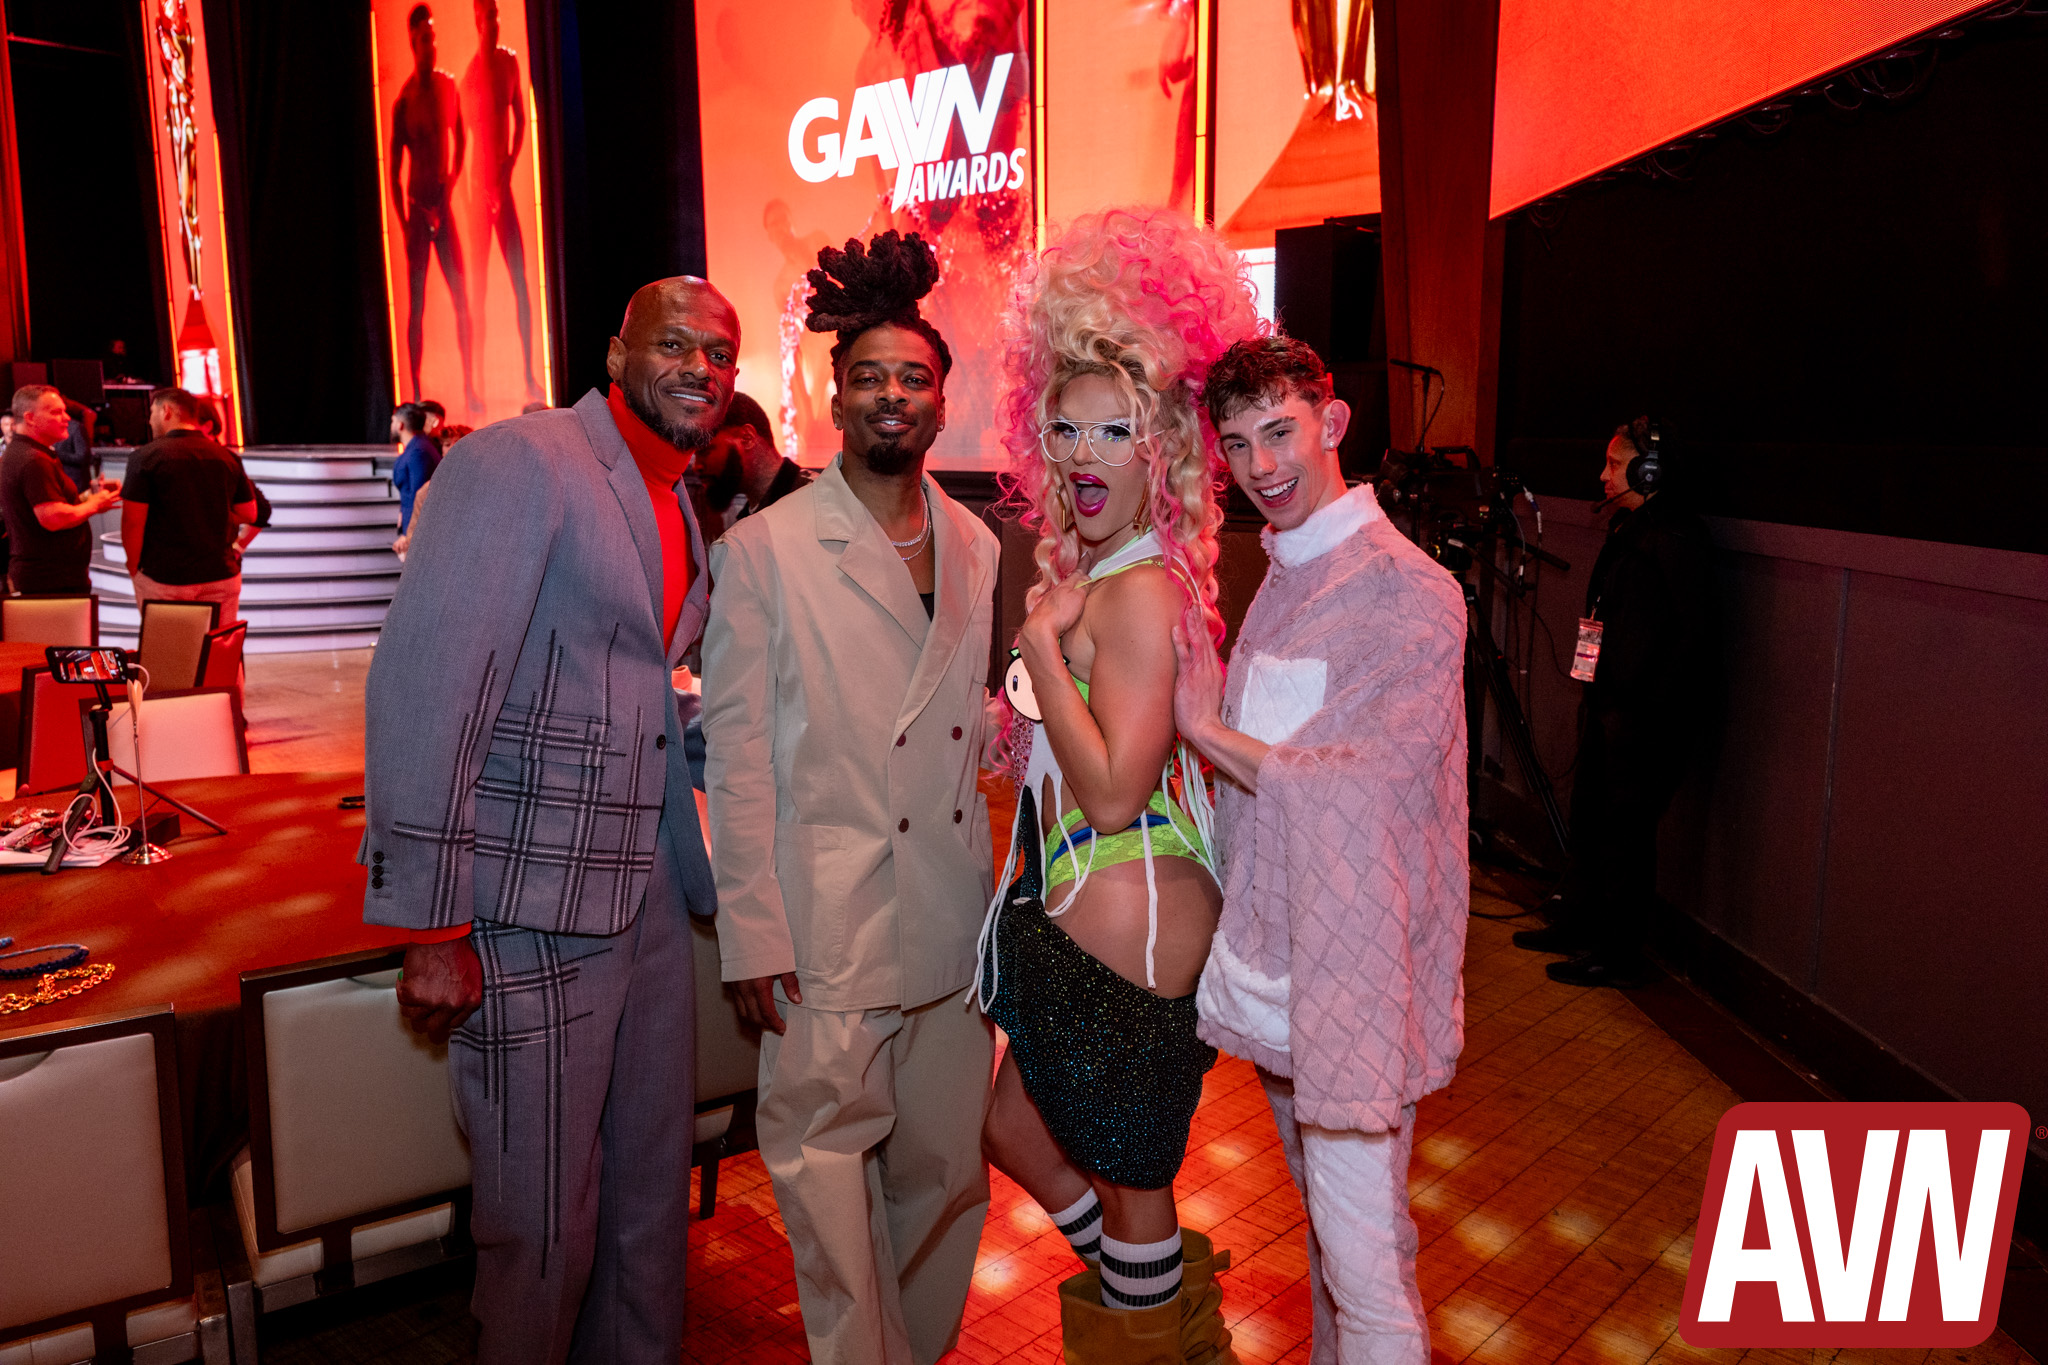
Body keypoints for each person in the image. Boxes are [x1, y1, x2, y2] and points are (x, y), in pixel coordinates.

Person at [364, 276, 736, 1364]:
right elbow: (429, 684)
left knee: (645, 1204)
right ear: (617, 353)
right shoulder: (520, 462)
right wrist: (435, 925)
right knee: (539, 1229)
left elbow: (637, 689)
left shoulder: (674, 496)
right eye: (675, 344)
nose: (700, 368)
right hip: (528, 907)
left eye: (719, 354)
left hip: (649, 891)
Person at [701, 231, 999, 1365]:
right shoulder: (766, 551)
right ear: (834, 397)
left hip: (949, 922)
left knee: (945, 1178)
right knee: (827, 1193)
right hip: (826, 925)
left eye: (912, 377)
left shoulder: (975, 543)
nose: (890, 394)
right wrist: (752, 932)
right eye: (868, 375)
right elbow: (736, 757)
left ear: (940, 402)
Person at [975, 206, 1258, 1361]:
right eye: (1066, 430)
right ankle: (1158, 1303)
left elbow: (1110, 792)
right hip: (1078, 919)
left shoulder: (1137, 592)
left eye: (1113, 431)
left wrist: (1039, 650)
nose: (1084, 454)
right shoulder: (1105, 573)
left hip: (1127, 926)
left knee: (1133, 1180)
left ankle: (1156, 1319)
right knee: (1012, 1128)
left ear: (1160, 450)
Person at [1173, 334, 1469, 1365]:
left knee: (1366, 1268)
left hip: (1354, 974)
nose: (1261, 466)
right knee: (1338, 1246)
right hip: (1284, 965)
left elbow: (1371, 782)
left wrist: (1204, 731)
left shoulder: (1408, 589)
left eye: (1280, 432)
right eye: (1237, 444)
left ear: (1331, 423)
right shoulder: (1286, 572)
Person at [1513, 417, 1716, 988]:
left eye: (1614, 463)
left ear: (1649, 471)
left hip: (1645, 718)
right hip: (1609, 705)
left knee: (1627, 833)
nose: (1603, 476)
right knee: (1590, 815)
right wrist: (1592, 684)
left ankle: (1616, 953)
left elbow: (1693, 637)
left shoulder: (1676, 539)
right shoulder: (1631, 530)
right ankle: (1578, 921)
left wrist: (1648, 707)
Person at [390, 3, 480, 412]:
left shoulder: (447, 87)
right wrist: (405, 219)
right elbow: (394, 173)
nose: (432, 45)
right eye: (425, 39)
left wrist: (449, 186)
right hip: (417, 211)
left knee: (461, 297)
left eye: (434, 38)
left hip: (441, 209)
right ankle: (414, 390)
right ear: (414, 43)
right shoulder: (404, 101)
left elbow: (460, 141)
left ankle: (470, 384)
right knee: (417, 305)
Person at [121, 387, 258, 627]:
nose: (149, 420)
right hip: (221, 575)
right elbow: (249, 513)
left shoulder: (145, 457)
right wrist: (212, 512)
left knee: (170, 646)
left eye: (152, 412)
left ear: (166, 411)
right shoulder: (226, 456)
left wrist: (133, 566)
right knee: (216, 646)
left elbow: (133, 521)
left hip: (166, 577)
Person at [462, 0, 543, 405]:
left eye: (496, 15)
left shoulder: (509, 63)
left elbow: (520, 120)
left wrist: (508, 166)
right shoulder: (470, 78)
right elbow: (468, 143)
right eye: (487, 17)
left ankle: (529, 374)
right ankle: (471, 383)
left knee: (520, 282)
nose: (493, 23)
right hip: (479, 191)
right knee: (475, 290)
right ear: (478, 22)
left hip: (502, 185)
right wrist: (481, 191)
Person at [2, 385, 121, 593]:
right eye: (56, 412)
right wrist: (93, 505)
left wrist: (88, 498)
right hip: (51, 579)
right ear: (30, 418)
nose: (66, 418)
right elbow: (52, 518)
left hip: (49, 576)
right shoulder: (33, 459)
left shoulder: (23, 452)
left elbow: (48, 506)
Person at [702, 392, 811, 531]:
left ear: (747, 438)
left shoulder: (812, 500)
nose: (696, 466)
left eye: (705, 451)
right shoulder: (750, 516)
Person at [196, 396, 273, 566]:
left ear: (207, 426)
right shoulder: (220, 458)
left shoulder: (220, 460)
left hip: (214, 562)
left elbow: (260, 510)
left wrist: (237, 548)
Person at [391, 401, 439, 539]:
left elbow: (419, 497)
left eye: (393, 421)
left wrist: (408, 535)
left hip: (418, 532)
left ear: (400, 425)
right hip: (411, 527)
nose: (391, 426)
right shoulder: (417, 447)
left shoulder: (418, 451)